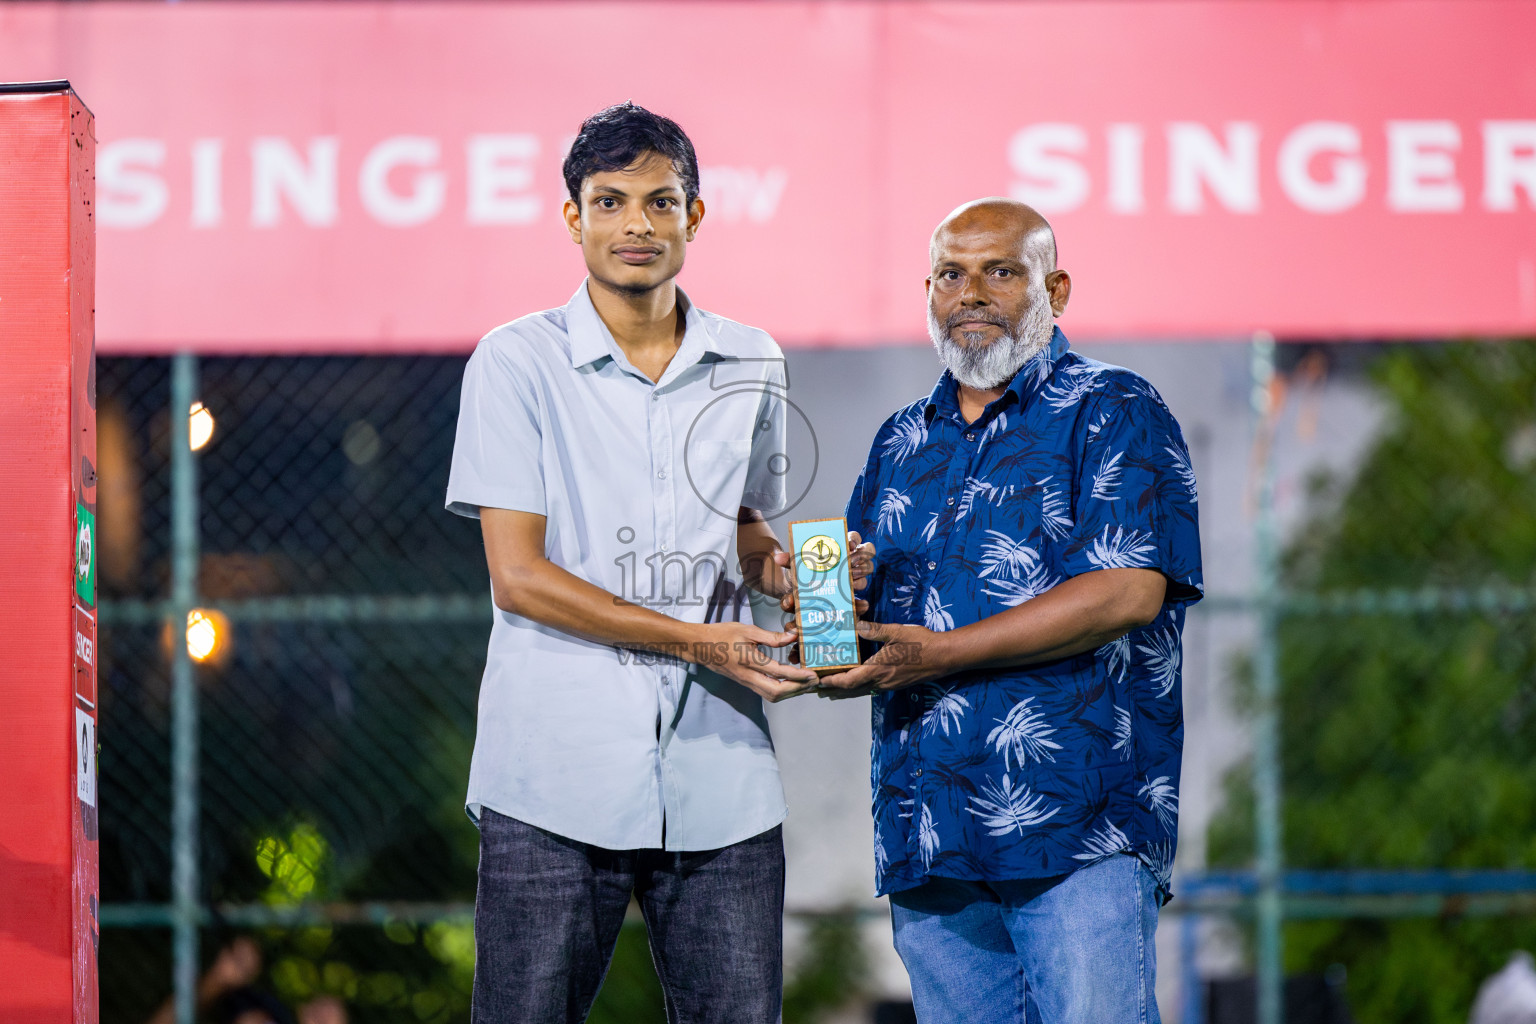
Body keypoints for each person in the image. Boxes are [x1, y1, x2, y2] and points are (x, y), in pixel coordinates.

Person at [444, 102, 838, 1024]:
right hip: (551, 773)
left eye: (661, 203)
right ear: (571, 216)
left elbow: (742, 531)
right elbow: (521, 578)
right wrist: (701, 643)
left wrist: (801, 575)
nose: (636, 225)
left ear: (695, 216)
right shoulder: (515, 363)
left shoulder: (753, 356)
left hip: (722, 777)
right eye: (610, 201)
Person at [811, 198, 1203, 1023]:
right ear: (928, 292)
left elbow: (1129, 590)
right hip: (929, 836)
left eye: (1001, 270)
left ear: (1054, 289)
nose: (972, 293)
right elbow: (856, 624)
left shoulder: (1115, 409)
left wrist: (941, 654)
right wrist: (822, 606)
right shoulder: (900, 441)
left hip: (1079, 830)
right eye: (952, 274)